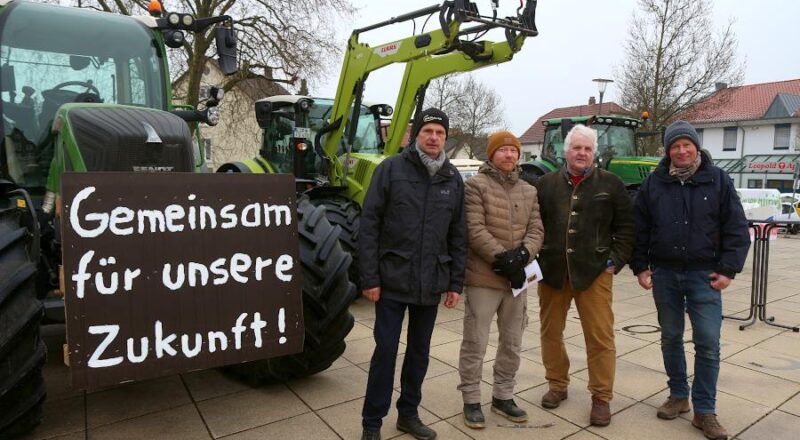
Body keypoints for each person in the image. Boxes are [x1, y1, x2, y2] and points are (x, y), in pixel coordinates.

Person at [631, 120, 750, 440]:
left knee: (708, 343)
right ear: (668, 150)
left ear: (696, 147)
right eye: (675, 146)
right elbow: (639, 228)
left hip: (704, 276)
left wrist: (728, 270)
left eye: (687, 145)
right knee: (670, 338)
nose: (682, 151)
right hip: (665, 274)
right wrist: (640, 266)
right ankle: (678, 396)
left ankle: (705, 410)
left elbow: (737, 228)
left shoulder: (718, 180)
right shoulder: (654, 182)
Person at [359, 108, 466, 440]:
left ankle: (408, 414)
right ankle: (372, 423)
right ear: (416, 135)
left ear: (445, 138)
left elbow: (458, 234)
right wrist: (369, 278)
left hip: (430, 282)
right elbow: (369, 224)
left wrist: (455, 282)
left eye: (440, 133)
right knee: (386, 352)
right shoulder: (391, 169)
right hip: (392, 280)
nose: (433, 137)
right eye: (428, 131)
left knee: (419, 353)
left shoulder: (452, 178)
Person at [534, 124, 634, 426]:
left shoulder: (612, 184)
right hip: (552, 272)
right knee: (550, 333)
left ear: (594, 153)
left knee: (600, 338)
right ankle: (557, 384)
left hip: (595, 274)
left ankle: (601, 397)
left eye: (588, 149)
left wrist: (614, 262)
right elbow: (534, 226)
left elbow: (627, 229)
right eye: (577, 147)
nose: (582, 153)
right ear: (567, 151)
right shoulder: (545, 183)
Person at [457, 130, 544, 429]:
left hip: (518, 280)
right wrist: (503, 259)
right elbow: (475, 229)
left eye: (513, 151)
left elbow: (537, 230)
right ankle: (471, 398)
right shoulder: (475, 187)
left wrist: (522, 256)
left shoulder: (529, 191)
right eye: (503, 150)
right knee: (475, 341)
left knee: (513, 341)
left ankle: (503, 396)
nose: (509, 155)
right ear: (492, 154)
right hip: (484, 278)